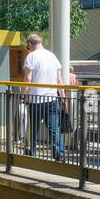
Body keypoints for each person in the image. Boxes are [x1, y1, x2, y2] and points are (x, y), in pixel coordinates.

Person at [20, 33, 64, 161]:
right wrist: (63, 98)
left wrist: (22, 97)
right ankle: (59, 154)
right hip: (51, 99)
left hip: (35, 100)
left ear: (30, 44)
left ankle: (30, 152)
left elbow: (27, 79)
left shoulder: (31, 57)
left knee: (32, 129)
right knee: (54, 129)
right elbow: (59, 80)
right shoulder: (52, 56)